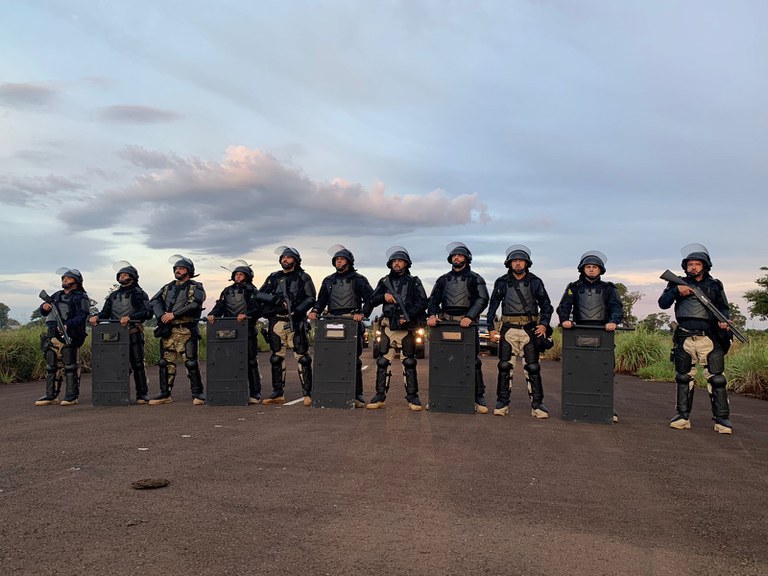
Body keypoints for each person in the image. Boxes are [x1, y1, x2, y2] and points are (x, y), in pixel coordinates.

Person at [658, 244, 734, 434]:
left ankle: (722, 420)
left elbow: (723, 308)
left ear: (705, 266)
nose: (693, 267)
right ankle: (682, 416)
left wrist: (724, 321)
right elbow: (663, 303)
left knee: (717, 379)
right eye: (690, 264)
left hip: (709, 337)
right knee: (683, 378)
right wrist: (677, 291)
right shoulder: (677, 283)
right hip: (684, 336)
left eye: (697, 264)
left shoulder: (714, 285)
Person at [487, 245, 554, 418]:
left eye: (520, 261)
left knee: (532, 367)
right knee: (504, 367)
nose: (517, 264)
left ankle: (538, 405)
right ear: (509, 263)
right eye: (514, 261)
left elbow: (546, 305)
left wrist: (544, 324)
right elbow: (493, 306)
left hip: (530, 329)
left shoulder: (535, 282)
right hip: (508, 328)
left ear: (526, 263)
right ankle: (502, 403)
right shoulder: (502, 282)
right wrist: (491, 329)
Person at [557, 250, 623, 422]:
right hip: (579, 331)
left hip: (603, 332)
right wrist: (565, 319)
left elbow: (617, 307)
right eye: (588, 267)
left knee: (604, 371)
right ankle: (576, 406)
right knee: (579, 370)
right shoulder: (574, 287)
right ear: (582, 269)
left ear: (600, 270)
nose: (591, 270)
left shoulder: (608, 288)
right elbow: (564, 305)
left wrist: (613, 321)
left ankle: (607, 408)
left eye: (594, 267)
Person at [362, 246, 428, 410]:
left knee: (410, 362)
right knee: (383, 361)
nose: (397, 263)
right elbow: (371, 300)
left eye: (400, 261)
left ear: (406, 263)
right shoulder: (384, 281)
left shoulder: (414, 282)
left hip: (407, 328)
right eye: (394, 261)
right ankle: (379, 397)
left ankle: (413, 398)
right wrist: (384, 297)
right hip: (387, 326)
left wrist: (409, 316)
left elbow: (422, 302)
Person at [427, 242, 490, 413]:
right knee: (443, 361)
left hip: (467, 325)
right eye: (454, 256)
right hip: (445, 323)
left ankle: (478, 396)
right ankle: (442, 394)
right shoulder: (443, 279)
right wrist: (432, 314)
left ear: (467, 259)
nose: (456, 257)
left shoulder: (475, 278)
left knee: (473, 361)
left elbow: (482, 299)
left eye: (460, 255)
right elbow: (433, 299)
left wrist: (470, 316)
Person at [308, 245, 373, 408]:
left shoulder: (359, 280)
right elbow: (321, 299)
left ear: (349, 261)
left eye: (341, 259)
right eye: (336, 259)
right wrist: (315, 310)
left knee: (353, 360)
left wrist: (362, 313)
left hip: (351, 321)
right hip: (331, 319)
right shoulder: (329, 280)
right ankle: (329, 392)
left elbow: (371, 299)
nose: (338, 261)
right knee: (330, 358)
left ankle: (357, 395)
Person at [257, 247, 316, 405]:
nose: (285, 260)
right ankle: (278, 393)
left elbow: (311, 298)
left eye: (288, 257)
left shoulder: (303, 276)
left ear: (295, 260)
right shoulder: (274, 277)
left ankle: (308, 393)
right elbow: (259, 294)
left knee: (303, 358)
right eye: (283, 257)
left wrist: (298, 311)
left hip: (296, 321)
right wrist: (275, 300)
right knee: (276, 357)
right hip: (276, 321)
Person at [89, 261, 153, 404]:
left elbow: (147, 312)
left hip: (133, 332)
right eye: (121, 274)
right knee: (116, 365)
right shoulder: (113, 296)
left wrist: (131, 317)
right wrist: (97, 317)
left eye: (125, 274)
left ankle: (142, 394)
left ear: (133, 276)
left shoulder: (139, 293)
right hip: (116, 336)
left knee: (137, 364)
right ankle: (118, 395)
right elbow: (106, 312)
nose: (122, 276)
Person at [149, 255, 206, 405]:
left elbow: (195, 304)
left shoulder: (196, 286)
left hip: (186, 330)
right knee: (165, 363)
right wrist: (162, 316)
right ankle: (165, 394)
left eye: (181, 268)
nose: (178, 270)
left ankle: (198, 393)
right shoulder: (168, 287)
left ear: (189, 271)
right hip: (168, 331)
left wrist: (173, 314)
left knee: (191, 363)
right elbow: (154, 301)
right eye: (176, 268)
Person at [207, 260, 263, 404]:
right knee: (229, 361)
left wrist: (247, 315)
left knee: (250, 362)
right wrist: (213, 315)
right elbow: (219, 306)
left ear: (247, 276)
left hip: (248, 330)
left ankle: (255, 393)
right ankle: (231, 390)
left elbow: (257, 309)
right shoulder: (226, 291)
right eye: (236, 274)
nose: (238, 277)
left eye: (241, 274)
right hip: (229, 330)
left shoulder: (252, 290)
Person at [35, 268, 90, 406]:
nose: (65, 280)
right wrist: (44, 307)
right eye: (64, 278)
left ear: (76, 281)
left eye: (68, 278)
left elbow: (82, 316)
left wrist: (68, 325)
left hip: (70, 335)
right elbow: (43, 312)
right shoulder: (57, 295)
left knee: (70, 366)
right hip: (53, 334)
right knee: (51, 366)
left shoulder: (81, 297)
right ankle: (51, 395)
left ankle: (71, 396)